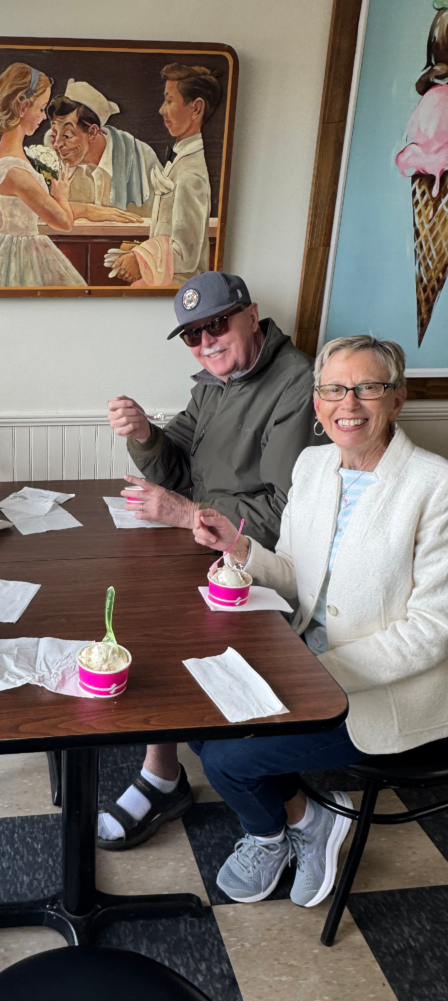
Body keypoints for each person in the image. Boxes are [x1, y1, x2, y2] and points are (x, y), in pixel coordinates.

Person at [187, 334, 448, 906]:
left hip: (380, 690)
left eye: (367, 388)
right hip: (300, 661)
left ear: (397, 399)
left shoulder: (436, 486)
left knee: (231, 761)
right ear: (317, 401)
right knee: (194, 718)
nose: (347, 403)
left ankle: (266, 831)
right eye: (333, 389)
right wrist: (238, 548)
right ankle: (308, 821)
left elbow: (432, 632)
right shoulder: (314, 464)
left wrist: (318, 672)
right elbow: (297, 576)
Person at [98, 270, 326, 850]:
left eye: (216, 325)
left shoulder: (297, 383)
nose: (206, 342)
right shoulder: (212, 384)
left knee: (160, 622)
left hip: (262, 563)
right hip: (208, 545)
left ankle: (187, 781)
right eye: (192, 335)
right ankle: (162, 769)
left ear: (251, 316)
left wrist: (182, 512)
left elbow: (284, 510)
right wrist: (147, 434)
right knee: (139, 599)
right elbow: (175, 467)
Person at [0, 63, 86, 287]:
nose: (44, 117)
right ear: (22, 107)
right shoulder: (15, 171)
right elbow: (63, 222)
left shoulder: (12, 156)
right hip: (20, 254)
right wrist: (61, 196)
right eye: (42, 109)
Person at [109, 64, 222, 287]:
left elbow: (186, 255)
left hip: (179, 288)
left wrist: (139, 259)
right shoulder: (180, 161)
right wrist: (135, 253)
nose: (162, 109)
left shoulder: (191, 173)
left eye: (169, 101)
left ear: (196, 109)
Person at [45, 80, 160, 219]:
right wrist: (86, 211)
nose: (57, 144)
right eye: (54, 134)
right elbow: (36, 206)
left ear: (93, 132)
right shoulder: (49, 151)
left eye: (67, 136)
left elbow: (164, 217)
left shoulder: (141, 157)